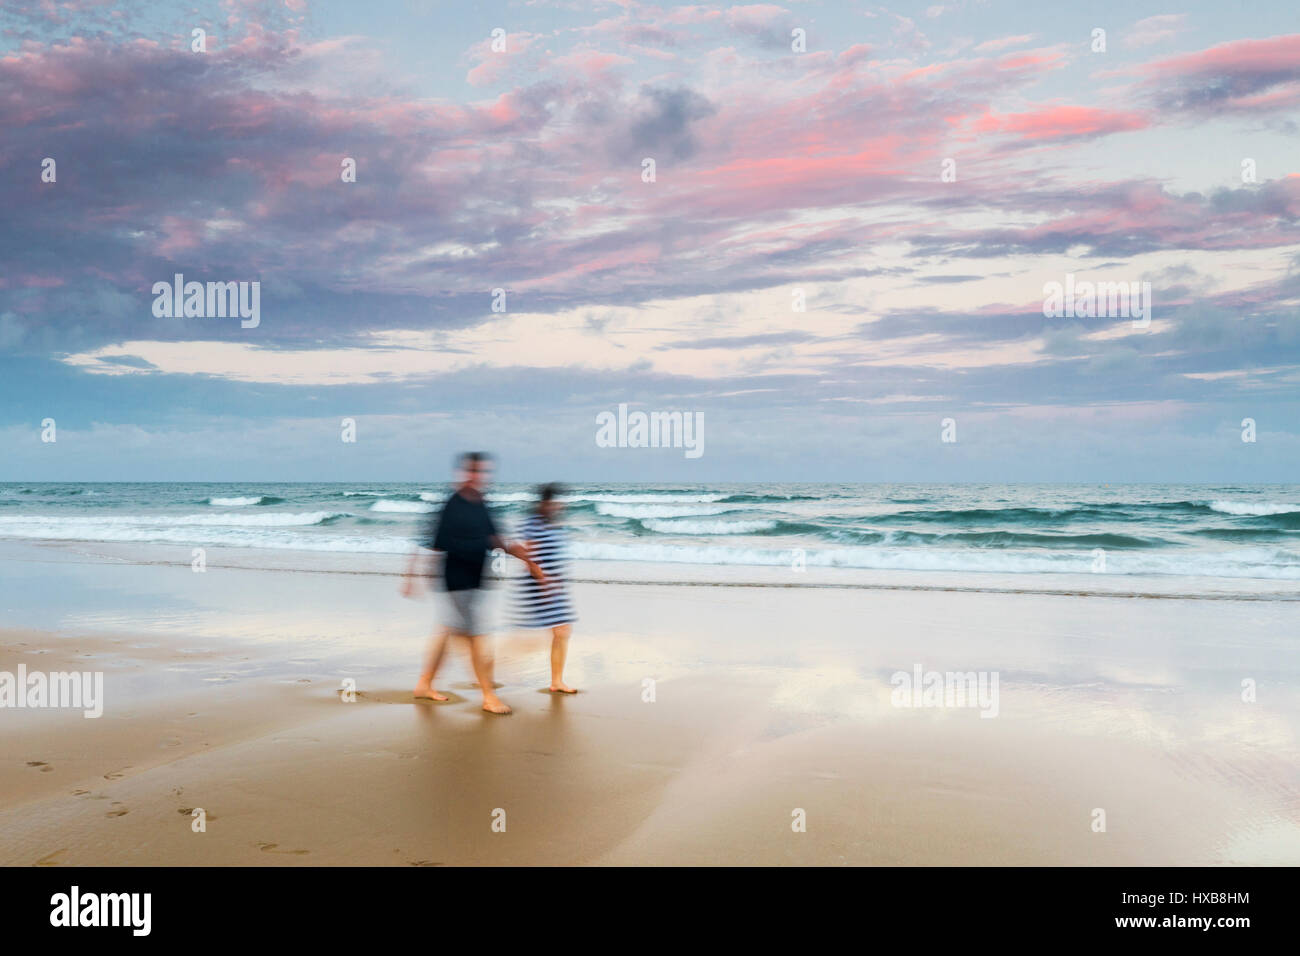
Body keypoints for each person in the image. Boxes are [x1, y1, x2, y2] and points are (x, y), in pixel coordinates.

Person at [400, 452, 546, 715]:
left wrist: (527, 559)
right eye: (473, 472)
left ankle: (424, 684)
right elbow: (428, 543)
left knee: (448, 631)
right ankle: (488, 696)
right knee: (478, 637)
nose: (478, 477)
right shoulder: (451, 505)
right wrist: (413, 578)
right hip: (456, 582)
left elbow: (496, 540)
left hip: (476, 581)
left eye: (482, 473)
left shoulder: (481, 504)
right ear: (463, 473)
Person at [511, 483, 578, 694]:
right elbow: (530, 556)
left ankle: (556, 681)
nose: (559, 506)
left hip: (552, 584)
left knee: (561, 631)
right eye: (556, 502)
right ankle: (498, 665)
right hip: (539, 584)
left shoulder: (551, 524)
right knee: (557, 631)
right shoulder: (535, 524)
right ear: (546, 503)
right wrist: (543, 582)